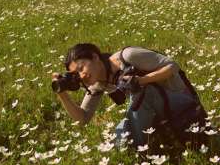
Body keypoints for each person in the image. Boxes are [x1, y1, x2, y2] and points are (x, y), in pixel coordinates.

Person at [51, 43, 207, 148]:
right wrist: (62, 94)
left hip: (182, 102)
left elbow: (173, 66)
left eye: (81, 68)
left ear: (95, 57)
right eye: (76, 74)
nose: (82, 75)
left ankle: (140, 151)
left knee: (144, 91)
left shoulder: (128, 56)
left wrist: (141, 80)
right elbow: (83, 117)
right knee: (115, 141)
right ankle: (142, 144)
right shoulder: (98, 82)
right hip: (155, 110)